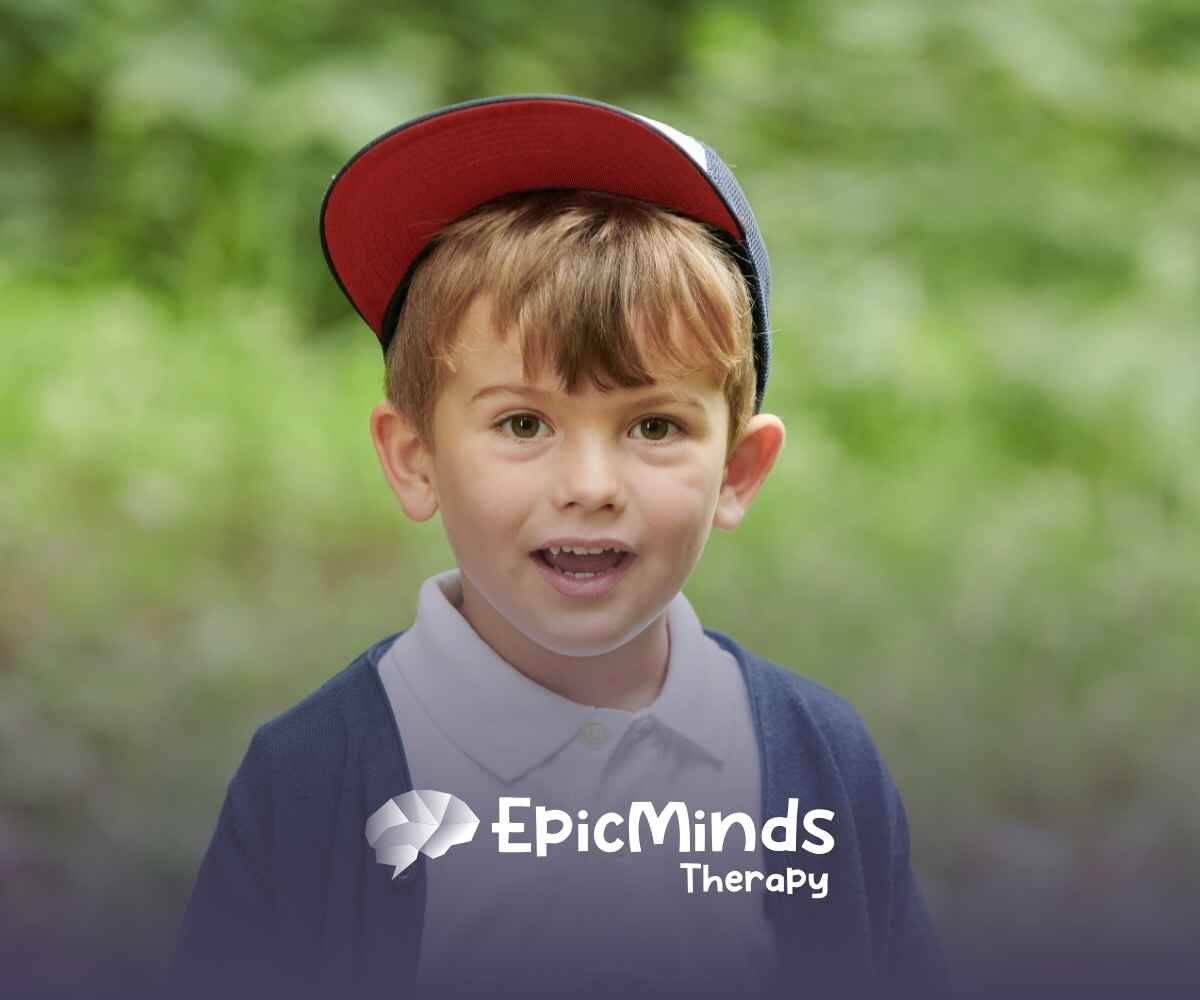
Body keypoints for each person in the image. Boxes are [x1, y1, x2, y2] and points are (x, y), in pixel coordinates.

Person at [168, 95, 949, 1000]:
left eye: (654, 425)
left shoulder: (817, 763)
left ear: (738, 470)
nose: (589, 484)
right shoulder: (313, 779)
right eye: (524, 421)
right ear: (415, 459)